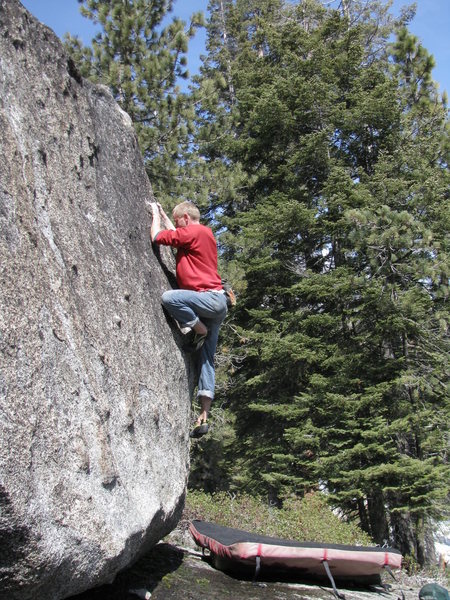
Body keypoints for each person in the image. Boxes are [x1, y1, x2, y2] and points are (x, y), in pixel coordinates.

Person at [150, 200, 228, 438]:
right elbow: (176, 234)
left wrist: (154, 213)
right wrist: (165, 215)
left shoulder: (196, 230)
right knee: (206, 358)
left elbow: (158, 237)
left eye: (177, 220)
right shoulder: (201, 235)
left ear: (185, 217)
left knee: (169, 298)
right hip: (215, 303)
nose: (176, 225)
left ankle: (199, 329)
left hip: (208, 301)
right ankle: (204, 414)